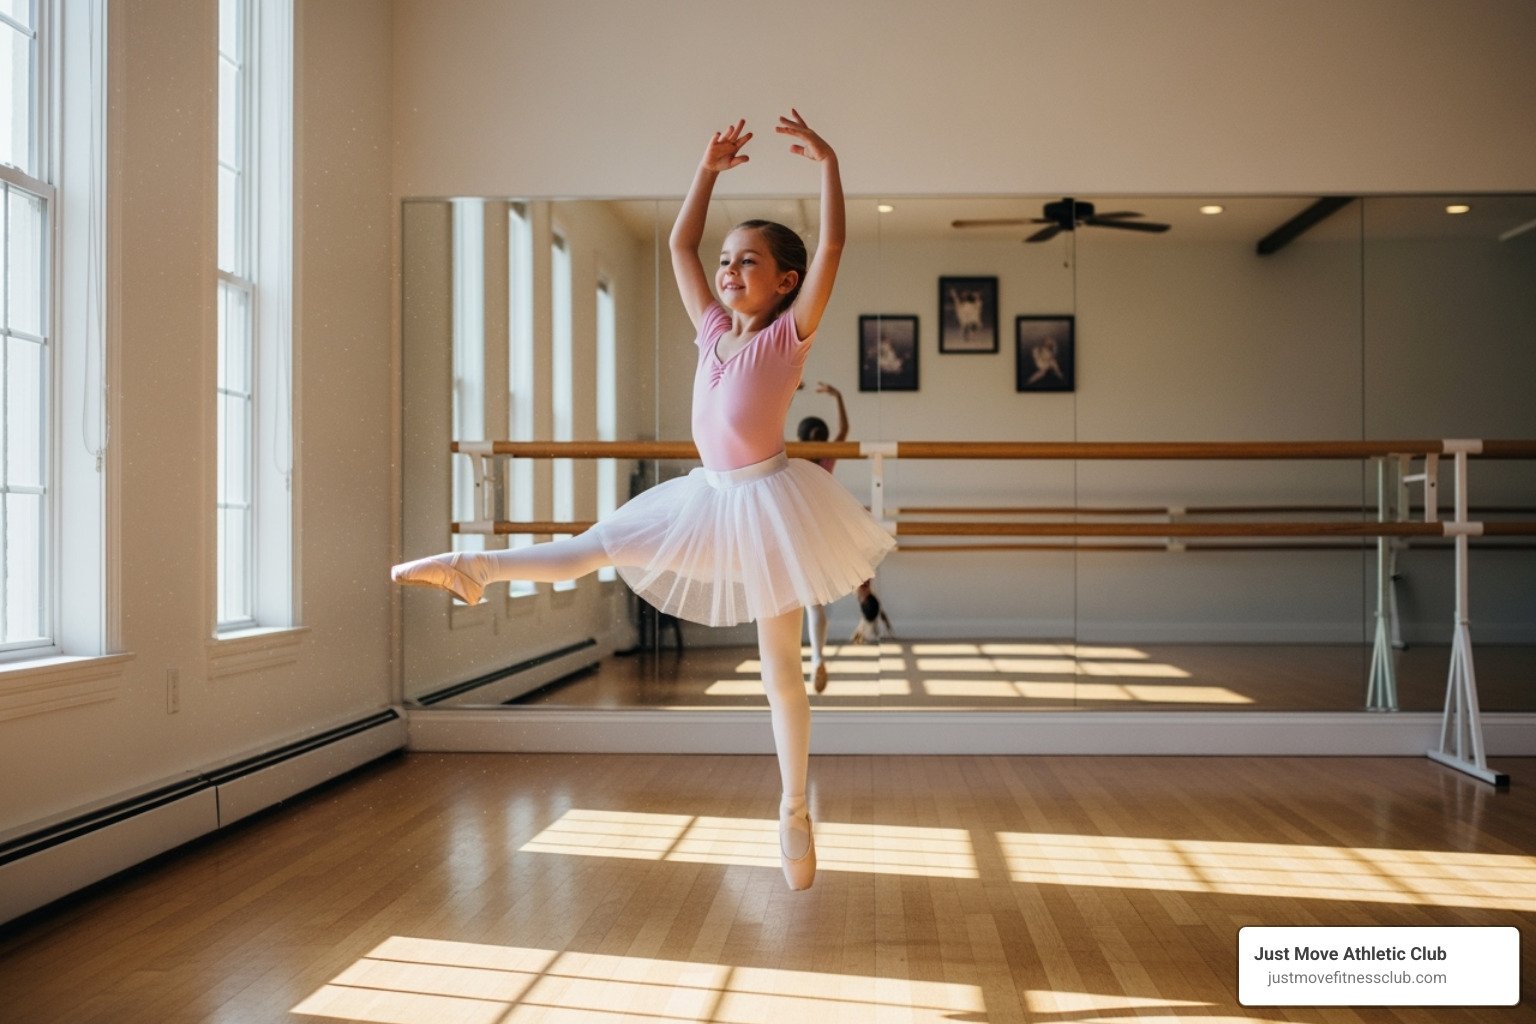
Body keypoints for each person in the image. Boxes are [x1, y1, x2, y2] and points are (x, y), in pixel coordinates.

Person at [391, 112, 895, 891]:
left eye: (748, 262)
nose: (728, 271)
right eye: (727, 262)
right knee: (597, 543)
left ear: (785, 282)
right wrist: (707, 170)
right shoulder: (712, 329)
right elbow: (677, 246)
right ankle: (472, 566)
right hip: (706, 499)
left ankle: (795, 813)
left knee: (778, 672)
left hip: (768, 505)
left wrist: (829, 161)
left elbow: (831, 245)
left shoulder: (786, 336)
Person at [795, 382, 848, 694]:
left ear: (801, 437)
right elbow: (844, 430)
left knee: (788, 606)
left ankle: (803, 661)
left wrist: (787, 392)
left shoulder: (796, 459)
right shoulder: (828, 458)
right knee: (814, 606)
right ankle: (817, 658)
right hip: (819, 534)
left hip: (795, 531)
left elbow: (771, 428)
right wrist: (838, 396)